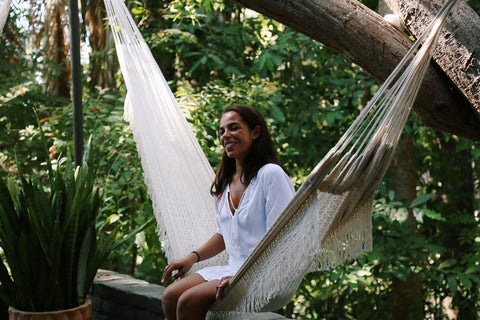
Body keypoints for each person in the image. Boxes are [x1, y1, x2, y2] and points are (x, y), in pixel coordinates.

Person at [161, 104, 295, 320]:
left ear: (255, 132)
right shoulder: (224, 181)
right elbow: (224, 234)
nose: (226, 135)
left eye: (233, 128)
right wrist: (192, 258)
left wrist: (242, 277)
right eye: (222, 131)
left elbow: (281, 239)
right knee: (170, 296)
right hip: (231, 269)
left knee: (188, 301)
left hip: (263, 275)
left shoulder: (271, 175)